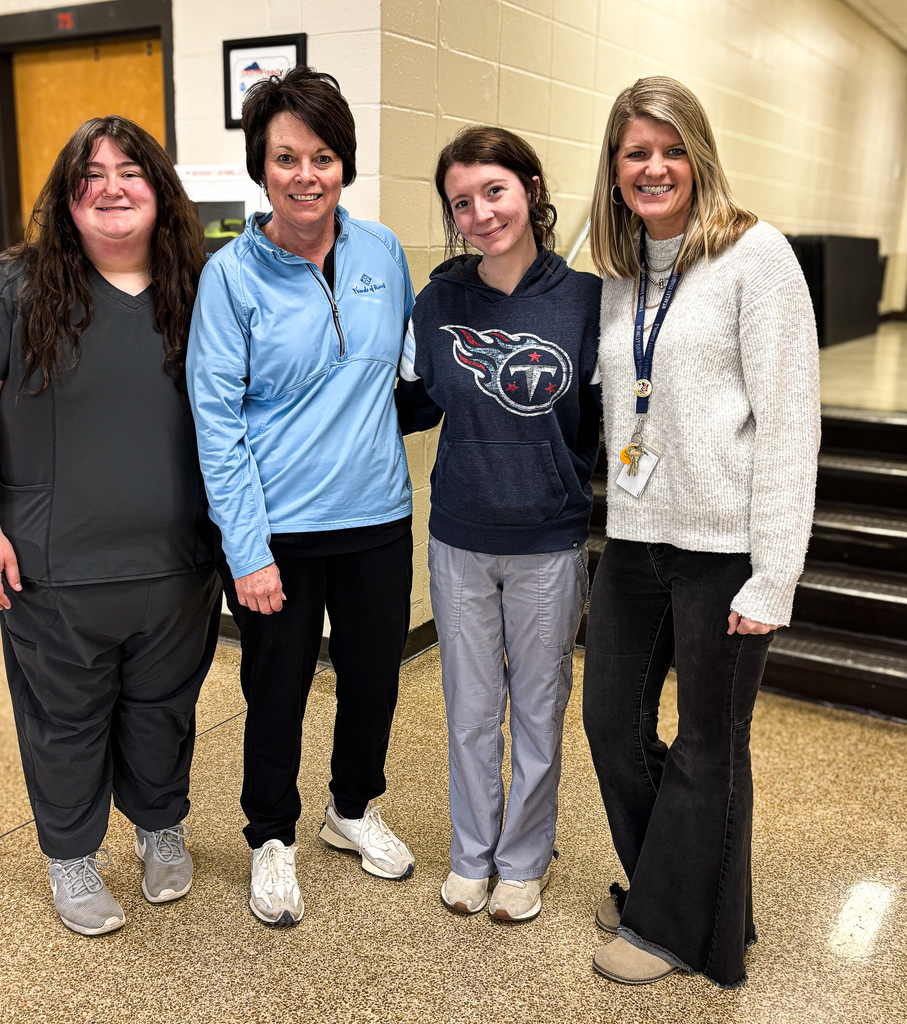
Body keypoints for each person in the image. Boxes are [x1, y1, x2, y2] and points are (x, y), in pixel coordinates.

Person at [0, 116, 223, 937]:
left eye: (129, 170)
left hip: (178, 563)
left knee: (164, 706)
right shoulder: (18, 285)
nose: (110, 187)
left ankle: (160, 827)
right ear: (67, 200)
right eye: (88, 175)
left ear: (159, 188)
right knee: (64, 718)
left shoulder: (198, 283)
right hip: (54, 568)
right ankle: (71, 859)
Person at [582, 76, 820, 987]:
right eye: (635, 151)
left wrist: (775, 575)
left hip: (726, 545)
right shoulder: (618, 264)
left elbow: (792, 421)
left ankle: (678, 931)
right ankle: (670, 891)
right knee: (610, 720)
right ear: (614, 167)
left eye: (670, 148)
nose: (654, 166)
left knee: (708, 741)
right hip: (637, 537)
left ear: (700, 156)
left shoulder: (757, 257)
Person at [186, 66, 416, 927]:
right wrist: (246, 551)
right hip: (278, 531)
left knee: (371, 685)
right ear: (262, 167)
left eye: (322, 156)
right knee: (275, 692)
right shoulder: (231, 279)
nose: (306, 175)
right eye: (287, 158)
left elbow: (404, 360)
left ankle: (351, 810)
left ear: (344, 164)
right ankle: (271, 837)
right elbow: (217, 423)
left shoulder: (381, 251)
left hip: (376, 521)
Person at [397, 126, 602, 922]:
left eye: (495, 191)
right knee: (472, 708)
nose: (481, 213)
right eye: (462, 202)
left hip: (548, 540)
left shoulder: (583, 302)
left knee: (540, 707)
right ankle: (471, 854)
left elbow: (605, 416)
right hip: (458, 537)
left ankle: (523, 860)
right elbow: (410, 406)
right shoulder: (439, 301)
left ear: (531, 191)